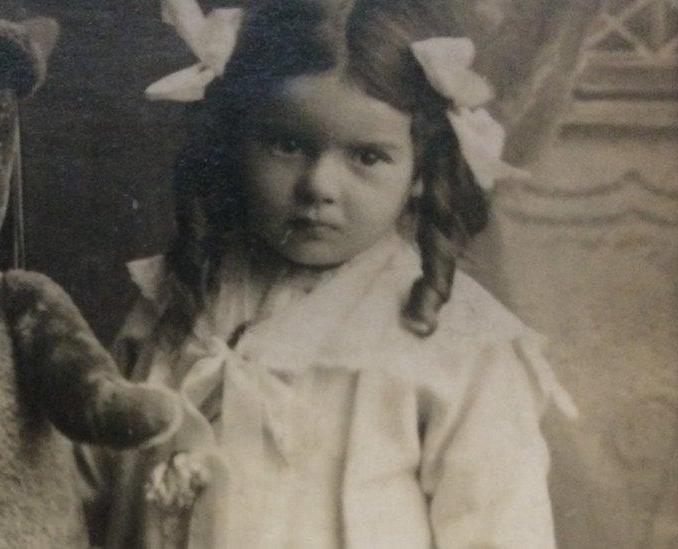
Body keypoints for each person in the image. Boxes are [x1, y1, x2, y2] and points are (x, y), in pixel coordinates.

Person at [77, 0, 577, 547]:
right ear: (235, 143)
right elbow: (89, 483)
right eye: (287, 145)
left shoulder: (463, 344)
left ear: (419, 169)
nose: (319, 185)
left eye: (366, 157)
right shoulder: (180, 297)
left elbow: (500, 528)